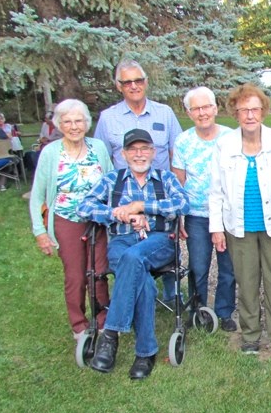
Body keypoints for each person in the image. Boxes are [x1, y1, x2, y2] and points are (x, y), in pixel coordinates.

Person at [77, 129, 190, 380]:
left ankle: (110, 336)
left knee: (132, 259)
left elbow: (183, 204)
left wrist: (142, 207)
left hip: (157, 241)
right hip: (121, 240)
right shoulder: (111, 180)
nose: (139, 154)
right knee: (144, 282)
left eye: (145, 149)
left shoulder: (166, 178)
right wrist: (118, 213)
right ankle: (145, 352)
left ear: (153, 152)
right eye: (133, 150)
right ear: (124, 154)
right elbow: (84, 206)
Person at [209, 84, 271, 359]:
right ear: (235, 114)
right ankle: (250, 335)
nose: (250, 115)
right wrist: (216, 228)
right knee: (247, 284)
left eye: (255, 109)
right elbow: (215, 191)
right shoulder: (224, 145)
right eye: (243, 110)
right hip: (239, 228)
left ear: (263, 111)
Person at [93, 60, 183, 302]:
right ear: (119, 86)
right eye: (127, 82)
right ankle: (143, 295)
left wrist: (174, 191)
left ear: (146, 82)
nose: (134, 86)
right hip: (124, 202)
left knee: (163, 240)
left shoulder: (164, 113)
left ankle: (172, 293)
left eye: (138, 80)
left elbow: (176, 154)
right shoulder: (108, 118)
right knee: (131, 248)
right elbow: (102, 159)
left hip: (159, 195)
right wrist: (115, 205)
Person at [28, 99, 113, 339]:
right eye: (67, 121)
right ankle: (79, 325)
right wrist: (40, 231)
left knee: (97, 272)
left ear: (86, 123)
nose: (74, 126)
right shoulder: (51, 153)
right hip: (66, 219)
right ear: (59, 124)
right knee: (75, 275)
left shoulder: (98, 148)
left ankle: (103, 320)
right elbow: (37, 196)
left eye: (78, 121)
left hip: (97, 220)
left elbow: (110, 183)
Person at [171, 87, 238, 333]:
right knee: (198, 266)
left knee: (228, 267)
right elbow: (178, 182)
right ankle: (198, 309)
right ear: (189, 113)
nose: (202, 113)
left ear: (215, 108)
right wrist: (178, 217)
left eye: (206, 106)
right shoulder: (183, 141)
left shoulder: (232, 137)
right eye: (196, 108)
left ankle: (224, 311)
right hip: (196, 216)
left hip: (227, 215)